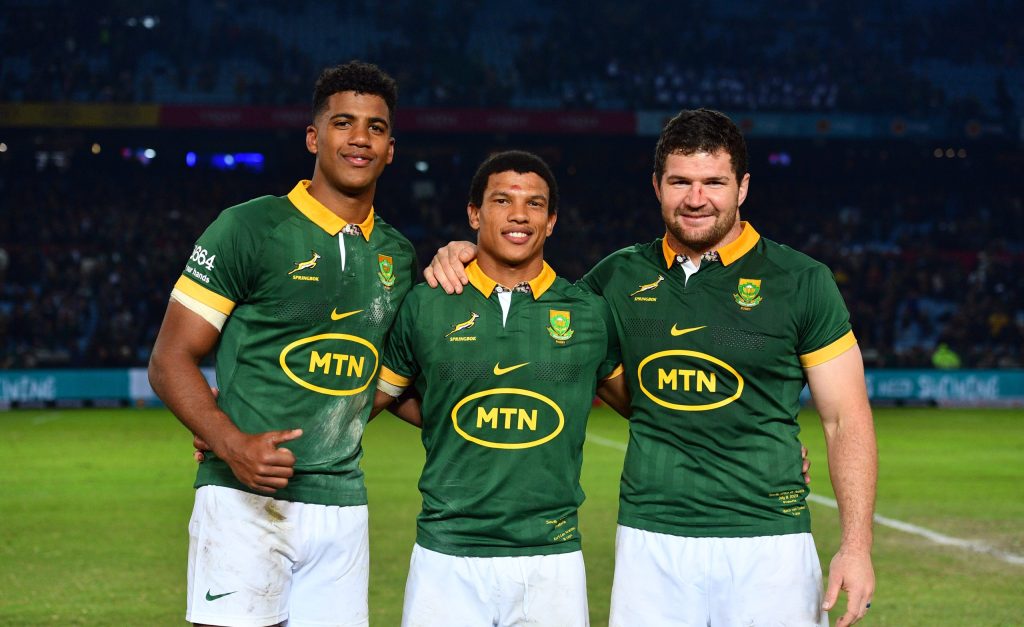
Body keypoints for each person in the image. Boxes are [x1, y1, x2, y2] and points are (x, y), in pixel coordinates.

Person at [424, 109, 877, 627]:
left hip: (771, 541)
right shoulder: (617, 278)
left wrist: (856, 547)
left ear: (743, 187)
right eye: (680, 181)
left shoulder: (802, 280)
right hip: (650, 542)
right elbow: (536, 311)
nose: (696, 198)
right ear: (657, 185)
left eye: (714, 182)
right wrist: (464, 251)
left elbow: (846, 418)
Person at [148, 61, 416, 627]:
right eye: (344, 123)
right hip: (242, 501)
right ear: (315, 138)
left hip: (343, 505)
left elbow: (386, 377)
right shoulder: (249, 228)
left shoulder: (399, 254)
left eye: (376, 127)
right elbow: (170, 359)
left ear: (391, 148)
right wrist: (229, 440)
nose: (360, 138)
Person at [373, 150, 630, 626]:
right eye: (502, 200)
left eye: (535, 204)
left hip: (551, 559)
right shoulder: (427, 302)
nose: (519, 215)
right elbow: (370, 399)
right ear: (474, 213)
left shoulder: (587, 313)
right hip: (446, 554)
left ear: (551, 221)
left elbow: (651, 409)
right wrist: (244, 417)